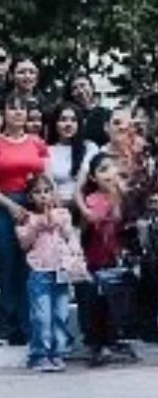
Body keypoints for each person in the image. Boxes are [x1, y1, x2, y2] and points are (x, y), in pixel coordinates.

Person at [0, 92, 50, 346]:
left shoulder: (37, 143)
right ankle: (6, 322)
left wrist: (44, 209)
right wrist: (10, 205)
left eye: (22, 108)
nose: (18, 113)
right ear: (3, 113)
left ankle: (28, 324)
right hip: (2, 206)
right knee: (7, 266)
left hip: (33, 206)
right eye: (12, 108)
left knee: (30, 266)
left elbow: (46, 180)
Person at [16, 173, 89, 372]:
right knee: (42, 316)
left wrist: (72, 244)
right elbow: (24, 244)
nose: (43, 196)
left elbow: (70, 237)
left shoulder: (63, 214)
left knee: (61, 314)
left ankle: (58, 352)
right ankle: (39, 355)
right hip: (39, 272)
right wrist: (36, 225)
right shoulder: (26, 217)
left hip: (61, 271)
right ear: (30, 197)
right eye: (37, 192)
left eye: (47, 191)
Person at [76, 153, 139, 366]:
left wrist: (120, 195)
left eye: (112, 168)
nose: (109, 173)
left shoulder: (125, 197)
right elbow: (92, 223)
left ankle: (115, 339)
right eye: (103, 169)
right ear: (93, 178)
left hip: (117, 259)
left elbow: (128, 223)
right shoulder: (92, 199)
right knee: (97, 301)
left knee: (118, 300)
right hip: (95, 258)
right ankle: (97, 344)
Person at [66, 73, 111, 147]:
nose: (80, 91)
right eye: (75, 88)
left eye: (83, 85)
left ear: (92, 87)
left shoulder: (106, 114)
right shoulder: (69, 115)